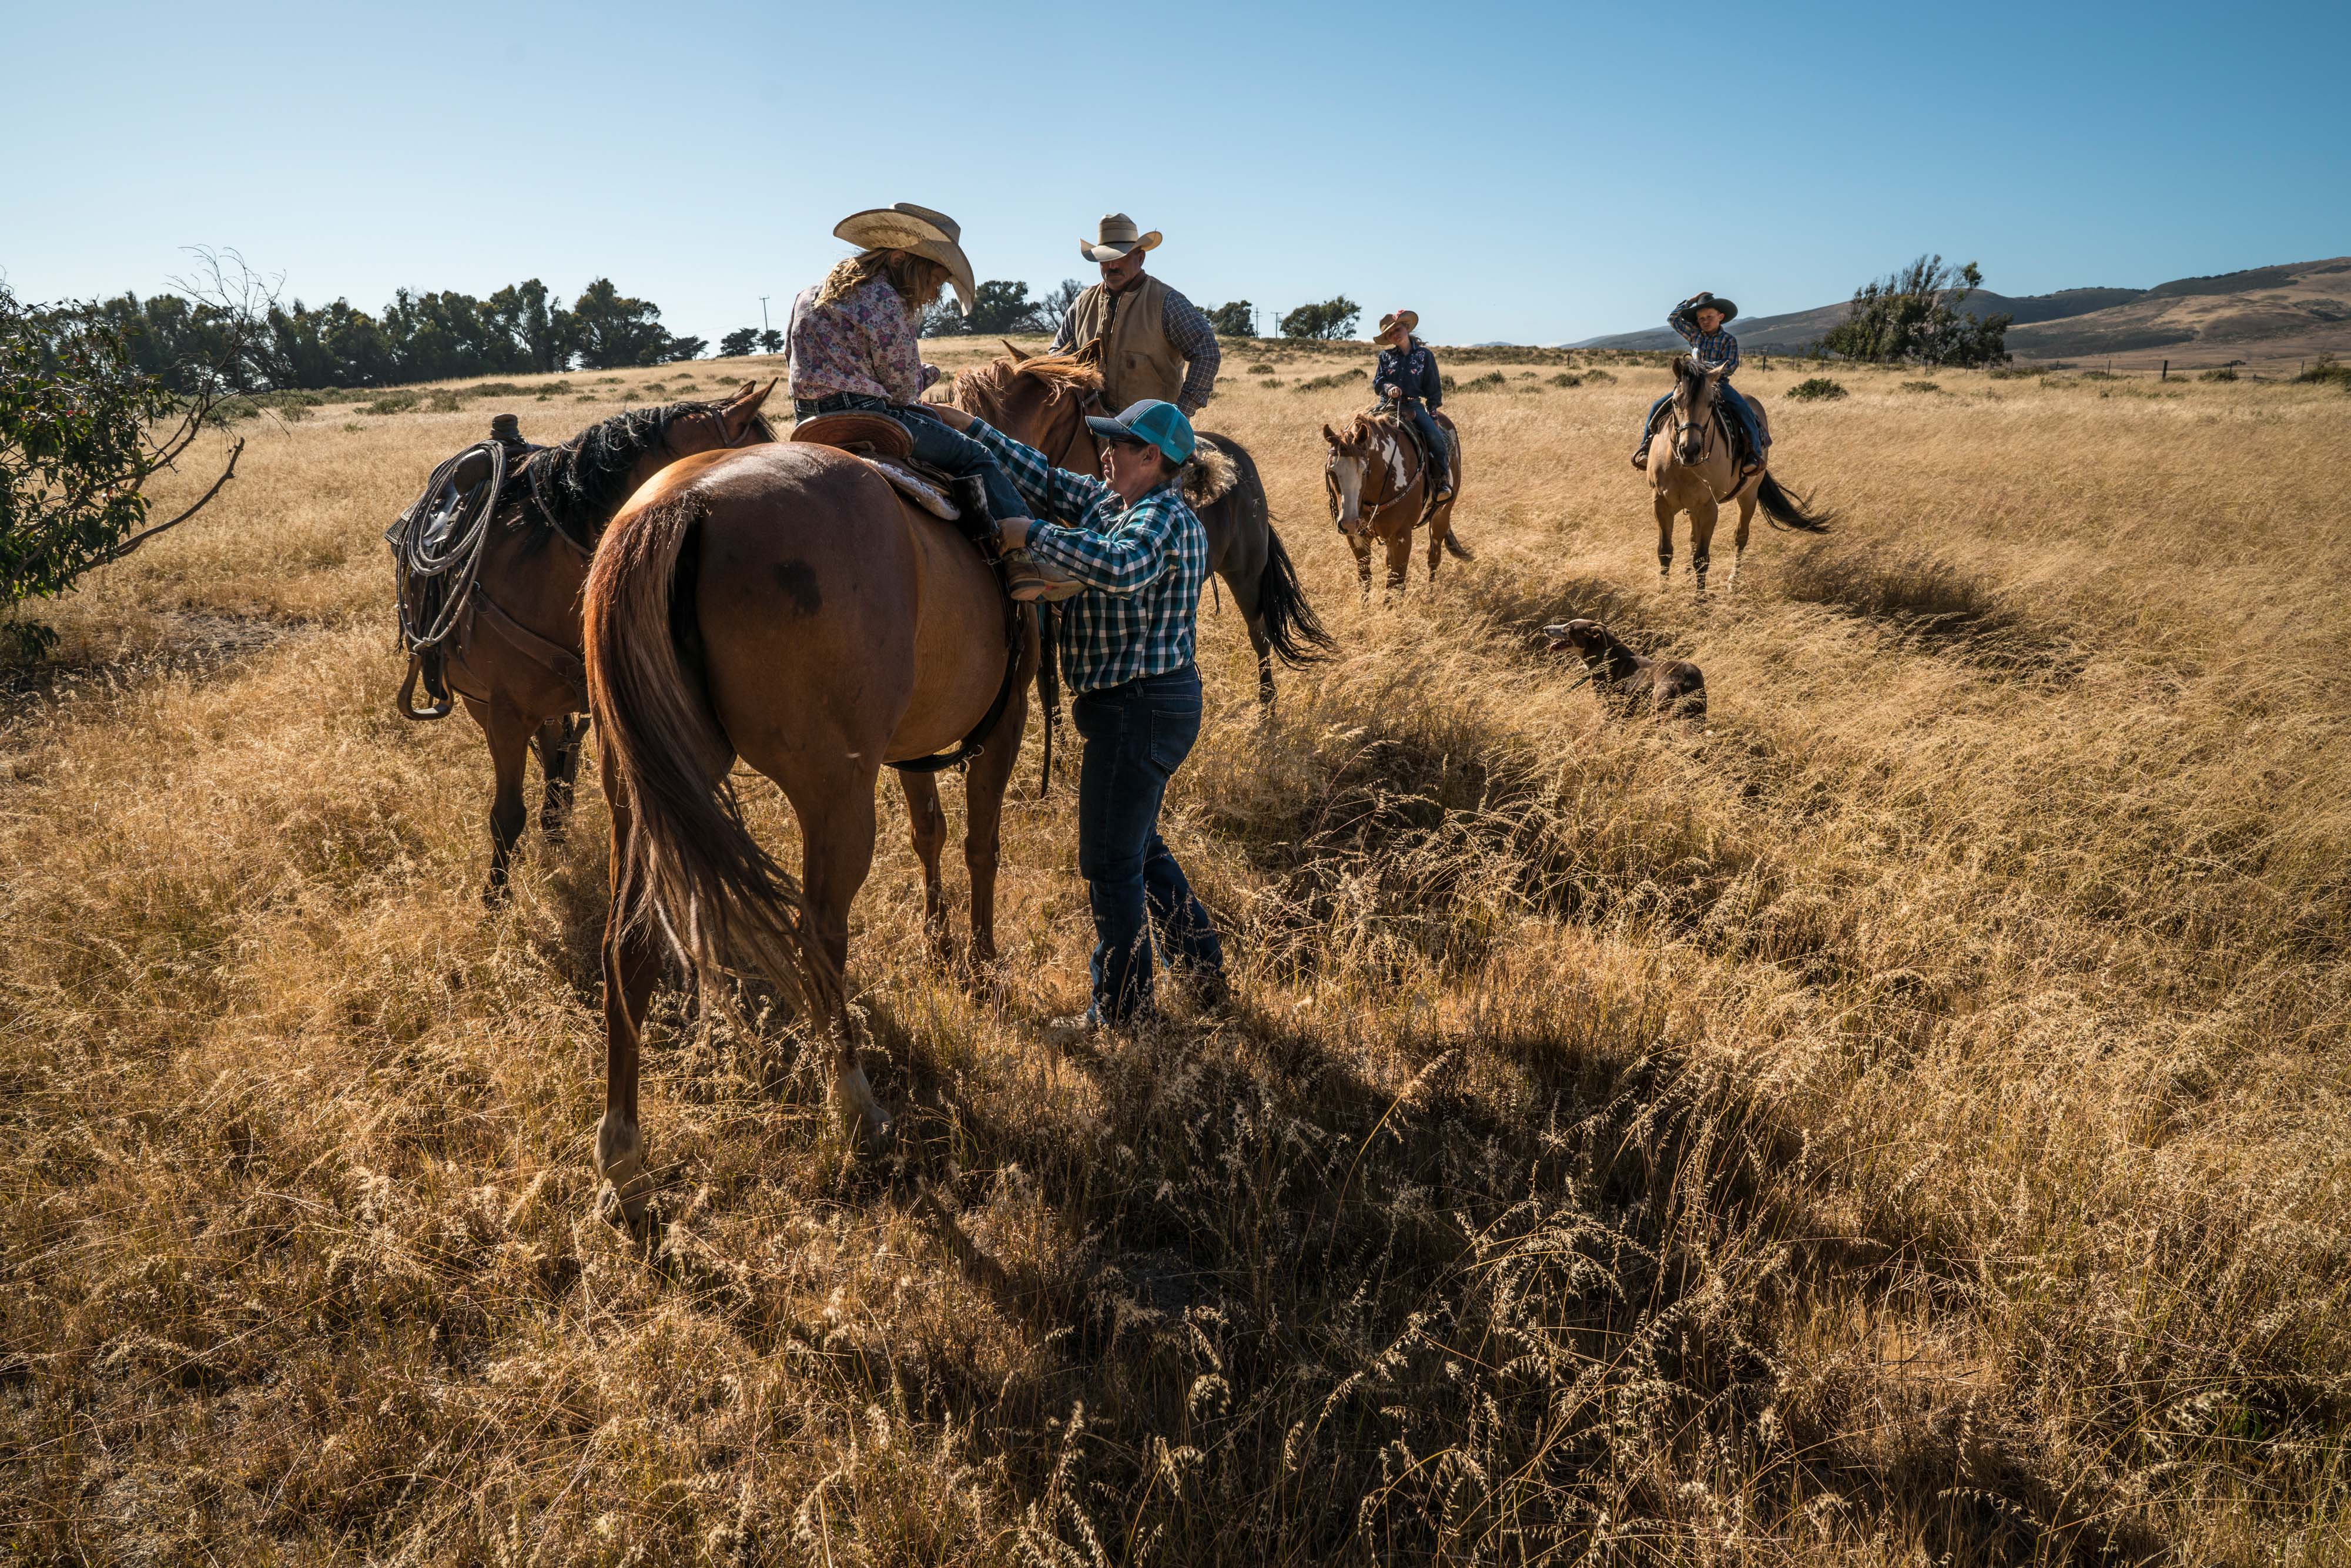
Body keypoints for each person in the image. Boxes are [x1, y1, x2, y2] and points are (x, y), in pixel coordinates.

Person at [929, 394, 1229, 1032]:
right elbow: (1043, 477)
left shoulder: (1165, 521)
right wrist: (972, 431)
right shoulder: (1115, 505)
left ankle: (1122, 1015)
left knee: (1109, 862)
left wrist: (1031, 535)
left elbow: (1120, 568)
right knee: (1139, 848)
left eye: (1118, 446)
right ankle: (1202, 968)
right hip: (1135, 709)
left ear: (1152, 457)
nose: (1105, 454)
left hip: (1140, 709)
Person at [786, 202, 1054, 599]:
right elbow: (902, 390)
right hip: (869, 416)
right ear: (902, 259)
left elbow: (792, 359)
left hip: (807, 420)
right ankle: (1029, 559)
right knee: (974, 458)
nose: (935, 292)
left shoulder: (807, 294)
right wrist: (932, 373)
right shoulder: (886, 301)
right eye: (935, 278)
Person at [1049, 214, 1221, 418]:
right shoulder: (1083, 303)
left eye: (1120, 257)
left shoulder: (1167, 302)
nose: (1112, 266)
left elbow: (1207, 352)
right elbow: (1057, 354)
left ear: (1140, 258)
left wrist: (1179, 415)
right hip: (1088, 425)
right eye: (1105, 259)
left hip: (1150, 430)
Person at [1631, 291, 1768, 474]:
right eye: (1701, 317)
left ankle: (1754, 453)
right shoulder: (1695, 334)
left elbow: (1732, 364)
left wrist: (1708, 370)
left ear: (1721, 317)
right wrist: (1692, 301)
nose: (1705, 320)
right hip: (1691, 385)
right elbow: (1673, 319)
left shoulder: (1728, 340)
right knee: (1657, 406)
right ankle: (1646, 448)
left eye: (1709, 317)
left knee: (1743, 409)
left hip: (1718, 384)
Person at [1372, 309, 1455, 502]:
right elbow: (1378, 382)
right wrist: (1388, 386)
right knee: (1359, 434)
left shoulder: (1425, 356)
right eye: (1390, 334)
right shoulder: (1385, 358)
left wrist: (1433, 415)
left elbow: (1433, 388)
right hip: (1387, 405)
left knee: (1436, 438)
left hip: (1414, 407)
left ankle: (1440, 482)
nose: (1395, 334)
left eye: (1397, 329)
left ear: (1406, 328)